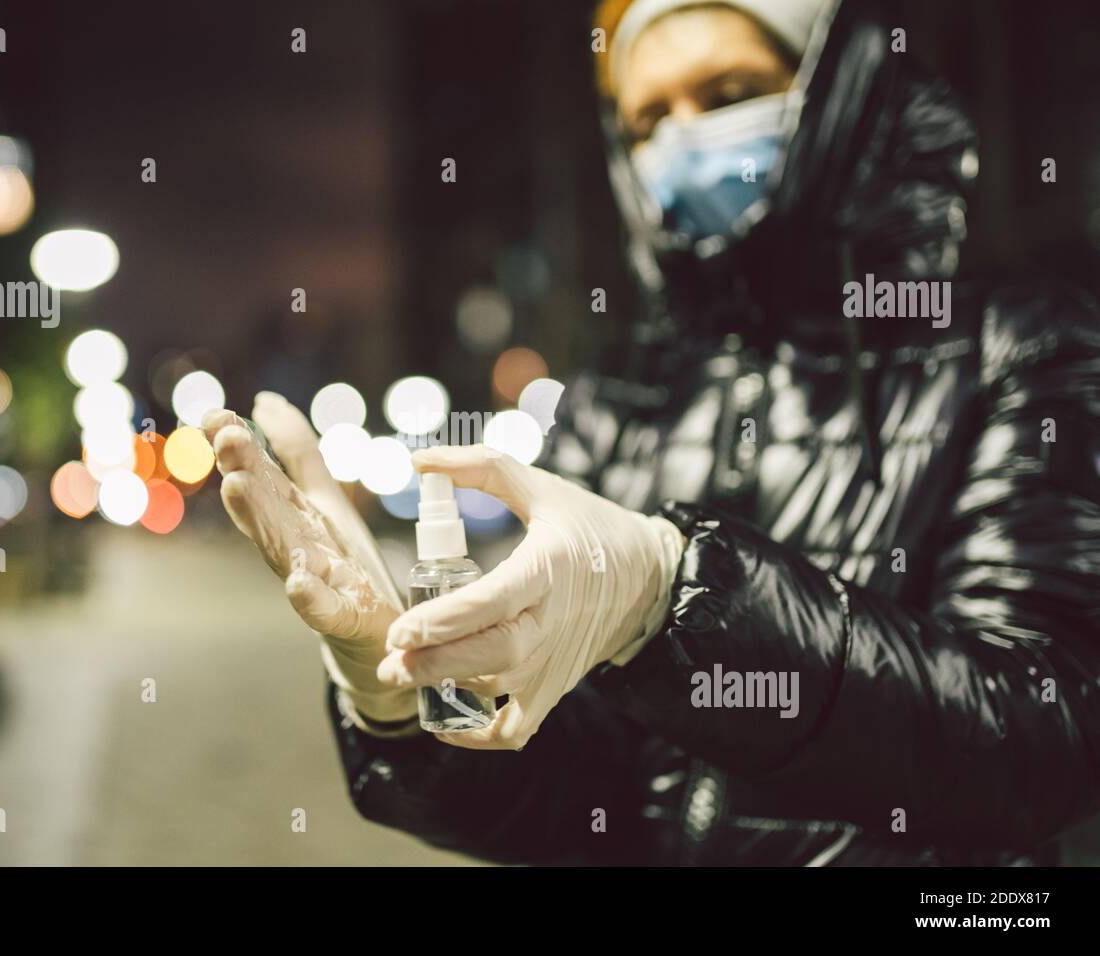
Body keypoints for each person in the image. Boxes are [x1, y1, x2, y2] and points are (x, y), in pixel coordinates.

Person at [202, 0, 1100, 865]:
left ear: (840, 90)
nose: (683, 141)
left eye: (727, 93)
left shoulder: (1020, 352)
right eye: (646, 122)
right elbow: (578, 804)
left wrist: (674, 596)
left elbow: (1040, 740)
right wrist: (406, 700)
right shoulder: (617, 401)